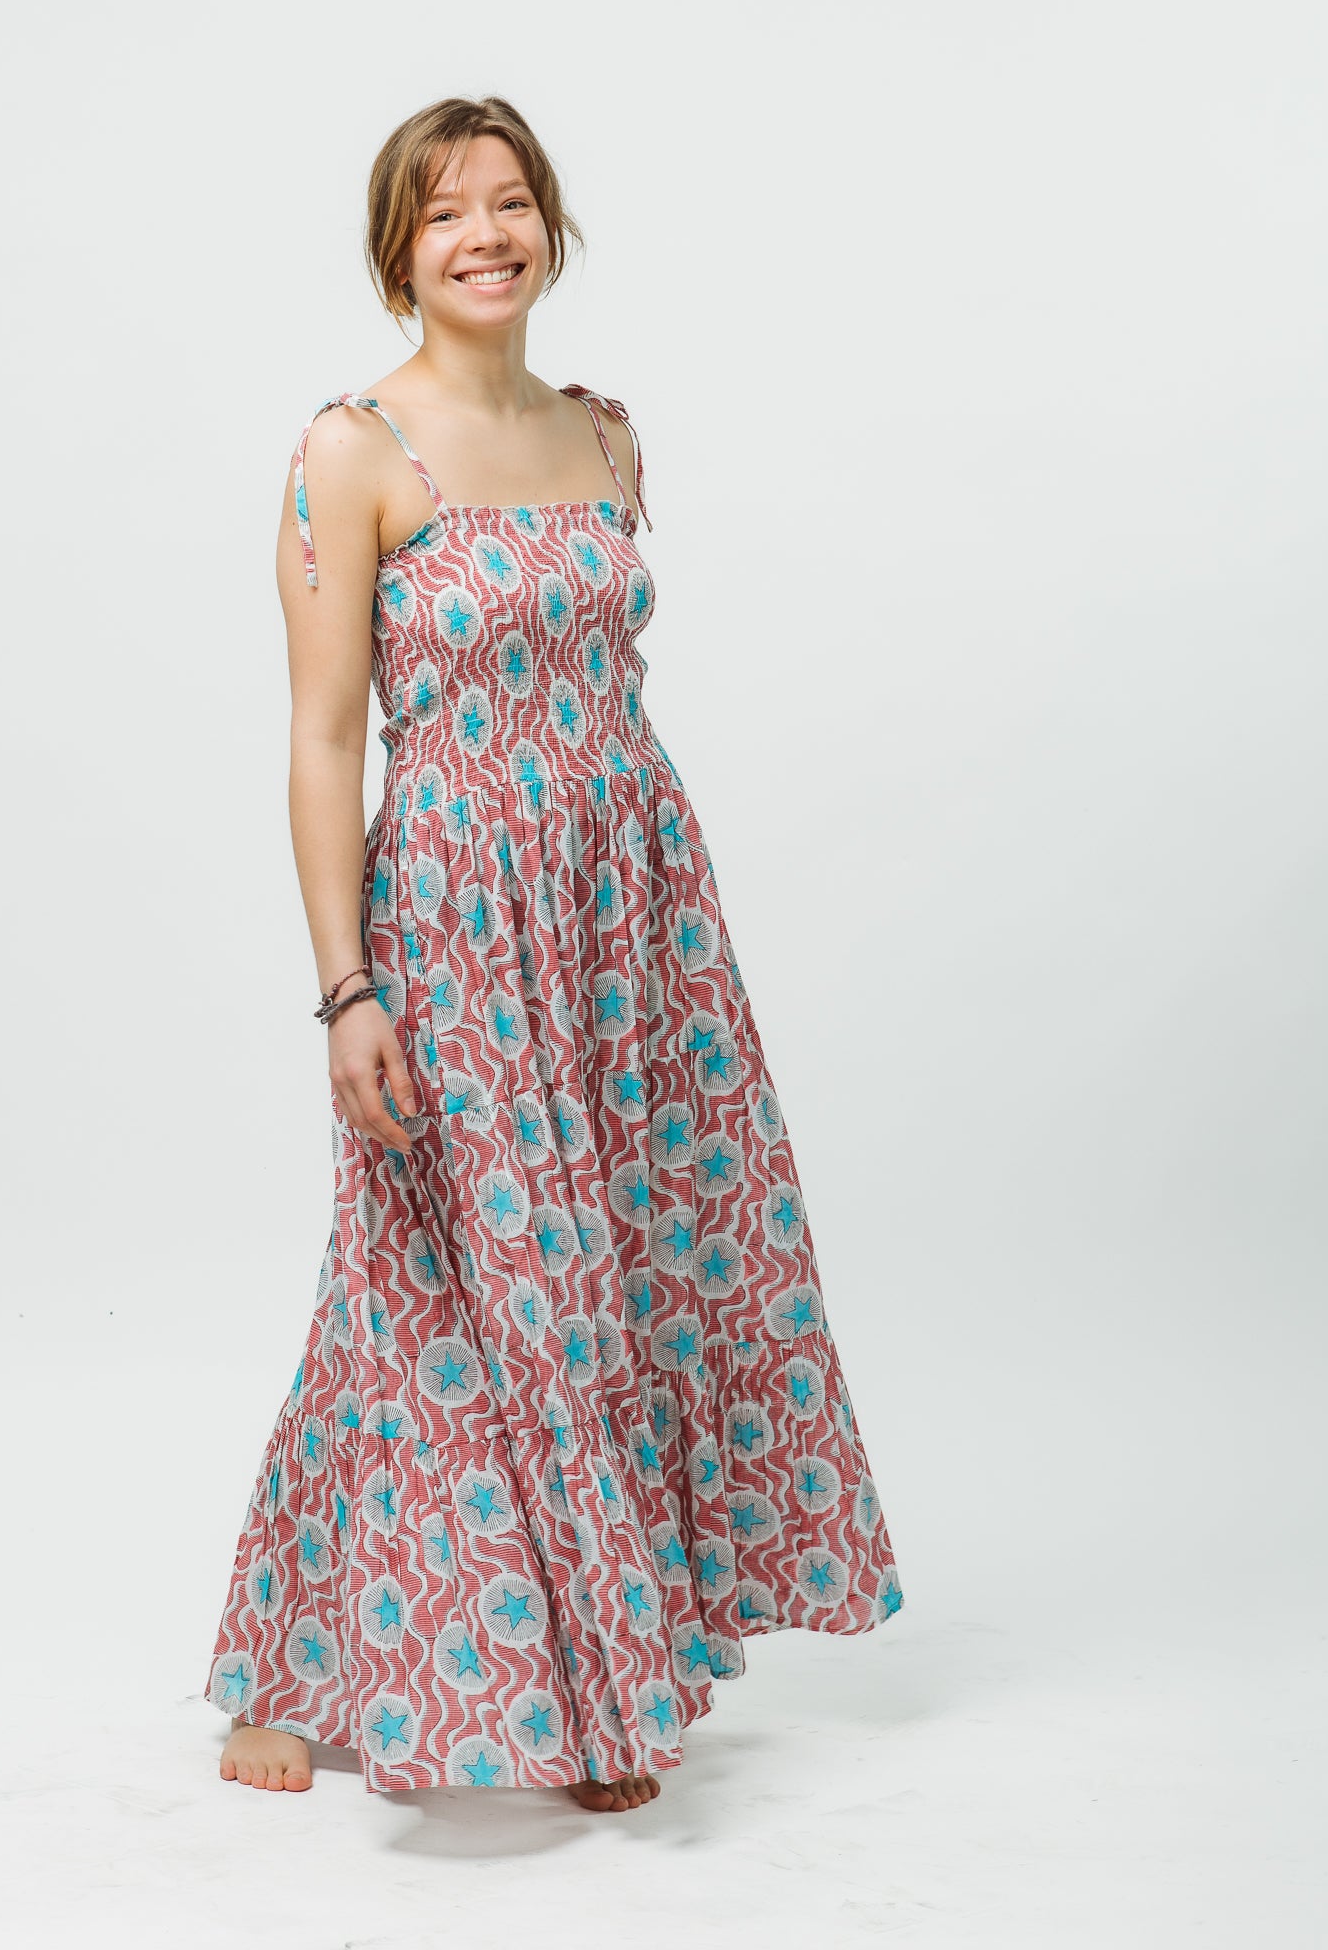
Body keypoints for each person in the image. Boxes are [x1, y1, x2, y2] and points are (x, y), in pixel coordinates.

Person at [202, 94, 904, 1814]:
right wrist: (348, 986)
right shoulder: (353, 449)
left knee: (621, 1281)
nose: (485, 235)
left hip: (631, 908)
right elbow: (320, 743)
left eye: (512, 203)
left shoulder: (607, 438)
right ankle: (335, 1668)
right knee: (449, 1282)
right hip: (454, 917)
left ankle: (606, 1675)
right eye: (448, 214)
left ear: (552, 229)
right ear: (400, 252)